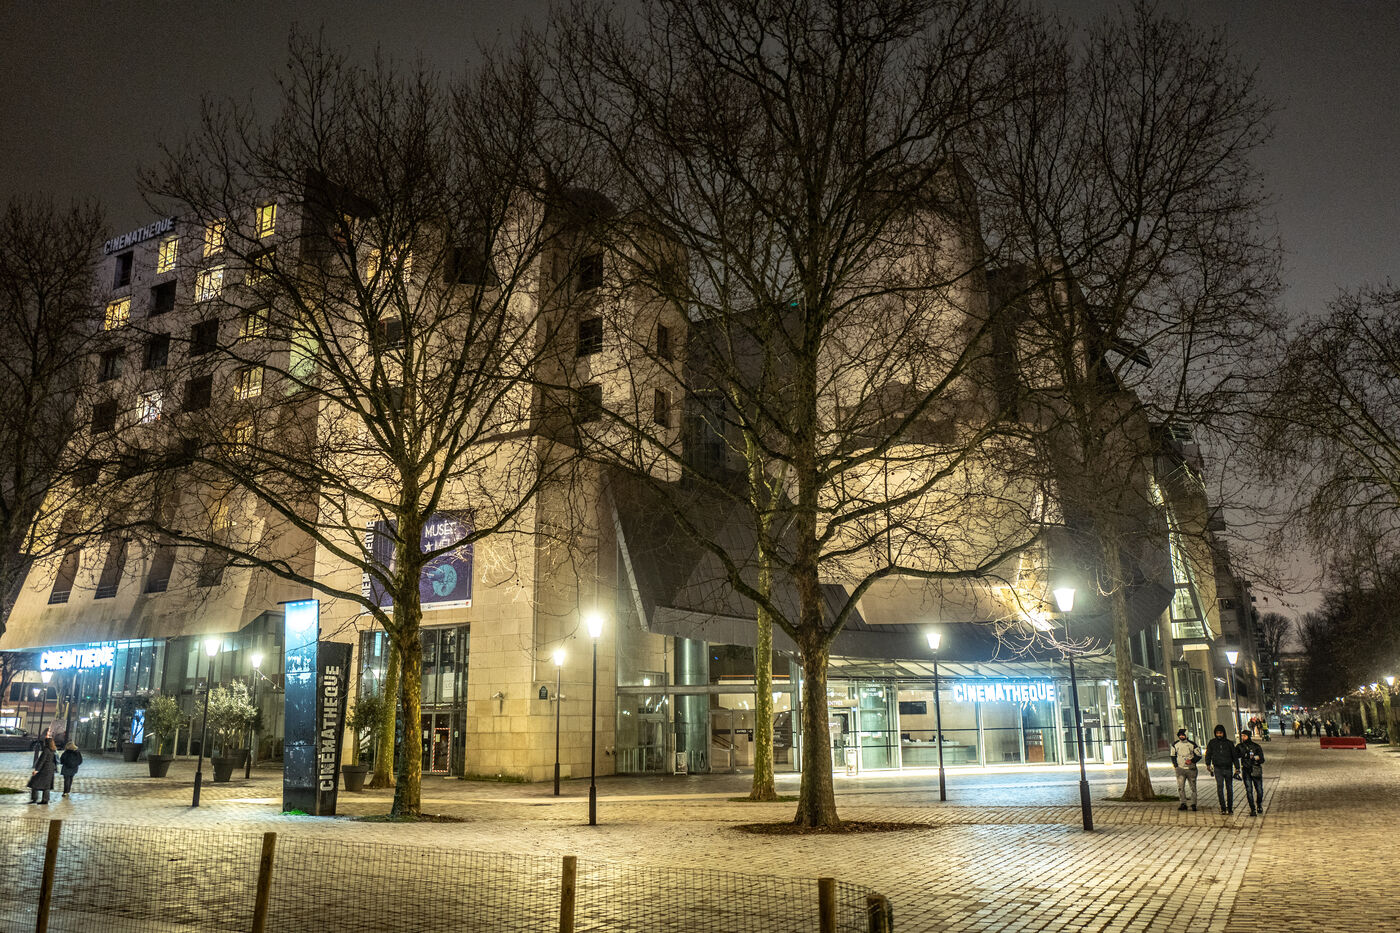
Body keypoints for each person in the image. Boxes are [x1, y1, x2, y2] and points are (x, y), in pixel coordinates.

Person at [1203, 724, 1237, 814]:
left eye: (1220, 733)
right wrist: (1208, 764)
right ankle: (1223, 807)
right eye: (1217, 733)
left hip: (1228, 767)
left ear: (1223, 733)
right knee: (1220, 787)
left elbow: (1234, 756)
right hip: (1218, 768)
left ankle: (1230, 807)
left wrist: (1237, 767)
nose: (1219, 735)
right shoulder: (1212, 743)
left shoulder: (1229, 743)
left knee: (1229, 788)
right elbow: (1208, 754)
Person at [1170, 728, 1201, 811]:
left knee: (1193, 787)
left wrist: (1192, 761)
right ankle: (1183, 803)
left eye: (1183, 735)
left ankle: (1193, 804)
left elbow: (1199, 755)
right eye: (1180, 735)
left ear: (1186, 735)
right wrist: (1176, 766)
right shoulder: (1175, 745)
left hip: (1191, 769)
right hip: (1180, 769)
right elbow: (1173, 756)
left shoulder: (1192, 744)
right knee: (1180, 787)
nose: (1181, 736)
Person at [1236, 729, 1266, 816]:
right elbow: (1236, 755)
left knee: (1259, 790)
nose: (1243, 737)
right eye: (1242, 736)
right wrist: (1244, 755)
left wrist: (1256, 758)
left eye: (1244, 736)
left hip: (1256, 769)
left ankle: (1259, 804)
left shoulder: (1256, 746)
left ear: (1248, 736)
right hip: (1246, 770)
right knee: (1249, 790)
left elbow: (1262, 759)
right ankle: (1252, 808)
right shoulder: (1240, 746)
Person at [28, 737, 57, 805]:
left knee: (34, 784)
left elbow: (42, 760)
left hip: (44, 769)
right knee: (46, 786)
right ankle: (45, 800)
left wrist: (37, 770)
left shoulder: (46, 750)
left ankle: (34, 798)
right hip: (50, 769)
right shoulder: (53, 750)